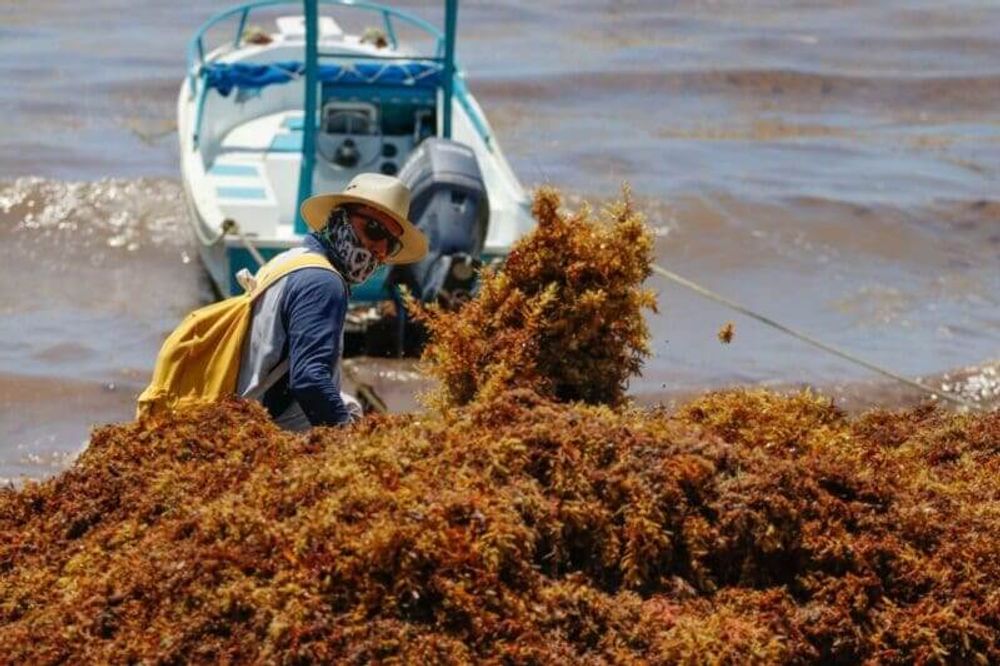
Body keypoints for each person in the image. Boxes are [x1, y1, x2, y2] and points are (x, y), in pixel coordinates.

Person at [235, 173, 428, 430]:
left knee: (351, 405)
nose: (380, 249)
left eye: (391, 244)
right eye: (374, 229)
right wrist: (345, 447)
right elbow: (310, 379)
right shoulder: (324, 282)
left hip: (245, 419)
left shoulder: (289, 261)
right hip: (275, 438)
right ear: (339, 218)